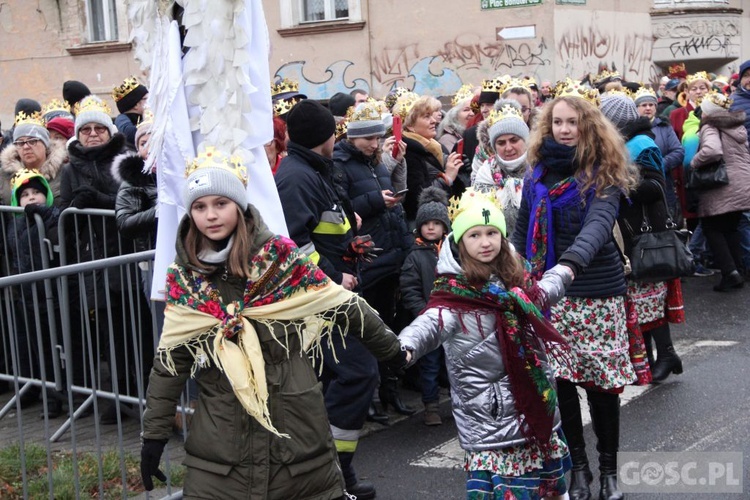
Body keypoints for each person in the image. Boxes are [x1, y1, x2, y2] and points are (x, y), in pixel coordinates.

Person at [139, 148, 407, 499]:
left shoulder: (280, 261)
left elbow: (343, 306)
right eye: (200, 207)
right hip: (221, 450)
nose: (211, 215)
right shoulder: (186, 279)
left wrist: (392, 354)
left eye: (221, 203)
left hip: (295, 430)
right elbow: (171, 362)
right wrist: (153, 435)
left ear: (240, 206)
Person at [399, 190, 573, 499]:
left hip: (534, 406)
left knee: (550, 491)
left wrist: (566, 269)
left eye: (492, 232)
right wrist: (403, 347)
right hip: (489, 420)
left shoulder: (518, 282)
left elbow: (543, 292)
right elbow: (430, 323)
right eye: (475, 234)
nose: (485, 241)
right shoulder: (453, 295)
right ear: (460, 241)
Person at [511, 85, 637, 500]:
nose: (565, 130)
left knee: (602, 389)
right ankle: (578, 469)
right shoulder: (536, 175)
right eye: (558, 122)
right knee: (561, 384)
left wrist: (566, 266)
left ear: (589, 128)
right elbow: (519, 231)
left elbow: (598, 228)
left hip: (595, 293)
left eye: (573, 123)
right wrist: (510, 269)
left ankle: (609, 472)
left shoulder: (603, 172)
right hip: (549, 298)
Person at [275, 99, 384, 499]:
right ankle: (335, 471)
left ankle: (332, 476)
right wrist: (336, 275)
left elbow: (323, 226)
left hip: (329, 296)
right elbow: (295, 247)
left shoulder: (311, 170)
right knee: (359, 373)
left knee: (334, 380)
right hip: (321, 301)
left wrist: (349, 244)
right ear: (328, 136)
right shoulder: (297, 177)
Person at [331, 101, 413, 418]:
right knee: (370, 332)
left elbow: (391, 208)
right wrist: (374, 201)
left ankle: (390, 392)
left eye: (377, 138)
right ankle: (371, 400)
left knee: (389, 328)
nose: (374, 144)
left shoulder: (376, 162)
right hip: (367, 261)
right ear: (352, 137)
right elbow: (343, 210)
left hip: (389, 256)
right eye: (368, 139)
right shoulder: (340, 164)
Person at [600, 92, 685, 384]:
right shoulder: (620, 144)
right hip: (629, 232)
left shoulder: (642, 144)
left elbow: (656, 187)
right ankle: (648, 360)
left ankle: (667, 354)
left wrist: (618, 187)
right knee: (638, 301)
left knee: (651, 300)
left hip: (648, 231)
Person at [6, 168, 63, 417]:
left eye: (37, 192)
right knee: (31, 347)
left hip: (51, 295)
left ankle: (55, 398)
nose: (31, 198)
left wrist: (45, 213)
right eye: (25, 194)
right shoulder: (14, 223)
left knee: (52, 349)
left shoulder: (53, 215)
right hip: (25, 295)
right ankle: (35, 389)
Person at [398, 187, 451, 426]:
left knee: (453, 364)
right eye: (426, 223)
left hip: (452, 319)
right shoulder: (414, 256)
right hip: (428, 319)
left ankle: (459, 403)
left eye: (436, 223)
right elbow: (409, 288)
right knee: (429, 366)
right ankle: (431, 406)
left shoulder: (453, 252)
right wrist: (423, 312)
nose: (431, 227)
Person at [688, 91, 750, 291]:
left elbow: (712, 151)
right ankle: (737, 270)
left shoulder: (710, 126)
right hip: (741, 183)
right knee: (731, 228)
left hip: (721, 185)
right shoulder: (736, 125)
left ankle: (729, 272)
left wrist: (694, 162)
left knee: (711, 228)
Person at [397, 93, 463, 226]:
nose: (434, 121)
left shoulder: (433, 146)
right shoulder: (408, 153)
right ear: (410, 125)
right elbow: (418, 199)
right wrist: (447, 178)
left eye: (432, 115)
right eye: (426, 117)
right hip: (425, 227)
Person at [471, 99, 530, 236]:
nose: (508, 148)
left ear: (525, 140)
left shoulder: (540, 167)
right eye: (501, 143)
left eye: (514, 140)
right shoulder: (486, 172)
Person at [634, 86, 685, 226]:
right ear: (636, 108)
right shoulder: (632, 129)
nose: (648, 108)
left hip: (664, 183)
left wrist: (659, 164)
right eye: (643, 105)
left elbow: (678, 151)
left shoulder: (664, 127)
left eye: (651, 105)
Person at [1, 110, 67, 205]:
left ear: (45, 144)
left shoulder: (64, 171)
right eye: (20, 143)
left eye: (32, 141)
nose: (26, 147)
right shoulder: (4, 175)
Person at [670, 71, 711, 140]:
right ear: (686, 91)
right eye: (694, 89)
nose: (698, 92)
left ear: (708, 90)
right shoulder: (677, 114)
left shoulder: (715, 111)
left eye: (702, 88)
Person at [436, 84, 475, 153]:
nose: (472, 113)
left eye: (474, 110)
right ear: (455, 116)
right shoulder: (448, 139)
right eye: (466, 110)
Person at [112, 76, 149, 148]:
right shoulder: (121, 118)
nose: (149, 102)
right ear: (135, 105)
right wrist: (147, 119)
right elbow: (129, 134)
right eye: (145, 99)